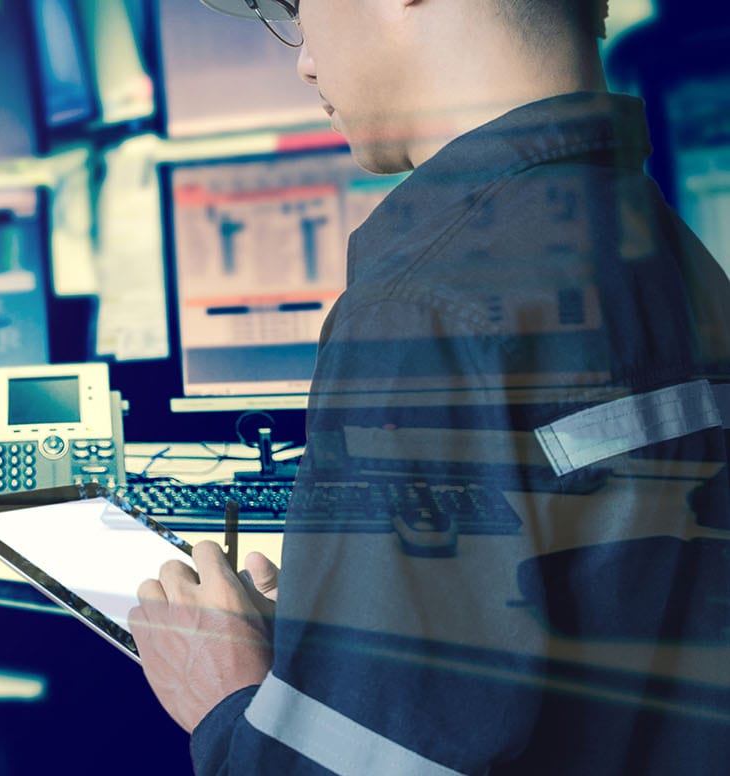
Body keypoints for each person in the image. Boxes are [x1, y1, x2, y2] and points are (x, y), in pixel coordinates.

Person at [129, 0, 730, 773]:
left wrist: (225, 699)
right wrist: (341, 649)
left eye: (302, 14)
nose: (305, 61)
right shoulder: (676, 255)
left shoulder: (421, 307)